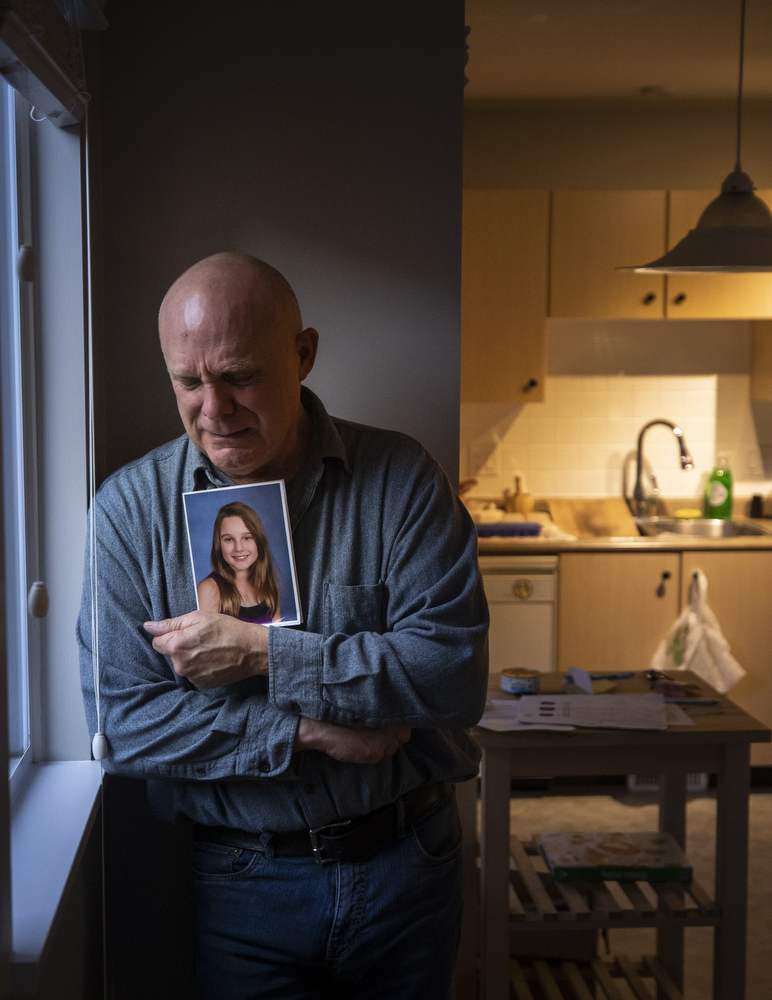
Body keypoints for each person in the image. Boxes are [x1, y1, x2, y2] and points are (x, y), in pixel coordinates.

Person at [80, 252, 488, 1000]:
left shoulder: (401, 480)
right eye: (188, 382)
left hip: (412, 863)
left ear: (303, 355)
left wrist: (264, 653)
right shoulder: (128, 513)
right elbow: (122, 723)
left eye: (239, 376)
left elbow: (453, 675)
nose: (215, 409)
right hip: (243, 879)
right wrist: (308, 730)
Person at [197, 501, 283, 624]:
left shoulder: (269, 585)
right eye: (229, 539)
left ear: (259, 541)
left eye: (247, 538)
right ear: (218, 545)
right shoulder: (208, 590)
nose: (239, 548)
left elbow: (278, 639)